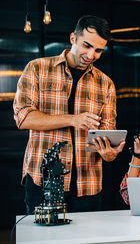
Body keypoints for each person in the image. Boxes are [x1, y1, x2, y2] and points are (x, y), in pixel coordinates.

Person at [13, 15, 125, 214]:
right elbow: (23, 117)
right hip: (43, 181)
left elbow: (107, 132)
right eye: (86, 46)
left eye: (98, 50)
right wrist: (73, 119)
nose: (91, 55)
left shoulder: (106, 83)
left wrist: (109, 154)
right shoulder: (37, 68)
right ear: (73, 38)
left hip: (87, 185)